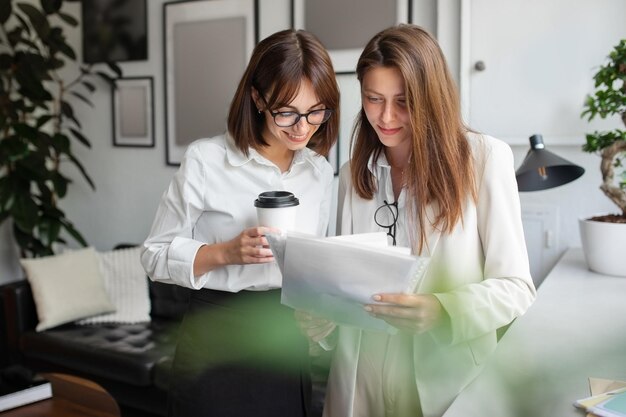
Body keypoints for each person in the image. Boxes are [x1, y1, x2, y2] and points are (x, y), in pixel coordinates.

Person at [298, 24, 536, 417]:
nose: (386, 116)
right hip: (360, 383)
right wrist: (319, 322)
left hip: (444, 377)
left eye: (403, 102)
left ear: (432, 99)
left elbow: (516, 288)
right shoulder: (353, 175)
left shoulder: (484, 159)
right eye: (373, 99)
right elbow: (342, 287)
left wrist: (443, 310)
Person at [141, 29, 339, 417]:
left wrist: (321, 315)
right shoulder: (206, 160)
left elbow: (313, 266)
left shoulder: (318, 173)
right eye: (287, 112)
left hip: (284, 340)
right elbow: (153, 255)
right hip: (216, 338)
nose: (302, 127)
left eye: (316, 111)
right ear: (257, 98)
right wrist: (224, 253)